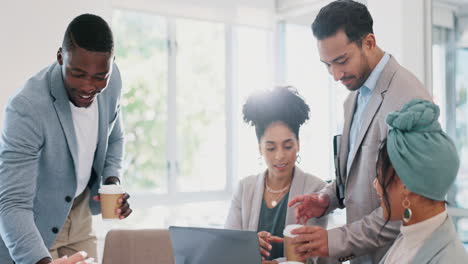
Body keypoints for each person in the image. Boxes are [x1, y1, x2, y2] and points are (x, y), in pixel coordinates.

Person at [288, 1, 431, 263]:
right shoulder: (353, 98)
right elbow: (357, 175)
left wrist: (334, 241)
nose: (335, 75)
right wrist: (328, 198)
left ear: (369, 42)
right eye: (326, 65)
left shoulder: (409, 100)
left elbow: (406, 207)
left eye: (341, 61)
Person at [0, 14, 132, 264]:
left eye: (99, 77)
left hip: (80, 215)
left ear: (112, 65)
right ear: (61, 57)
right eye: (78, 73)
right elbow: (12, 204)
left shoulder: (112, 81)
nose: (87, 86)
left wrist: (111, 180)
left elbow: (114, 135)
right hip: (33, 223)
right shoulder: (26, 108)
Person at [225, 86, 328, 264]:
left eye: (287, 146)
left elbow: (311, 255)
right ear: (260, 148)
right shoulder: (244, 188)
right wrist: (249, 248)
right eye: (271, 148)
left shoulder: (316, 189)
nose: (280, 156)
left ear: (298, 144)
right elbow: (227, 247)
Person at [374, 99, 467, 263]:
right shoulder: (410, 236)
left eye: (380, 175)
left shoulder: (450, 259)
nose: (376, 185)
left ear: (405, 184)